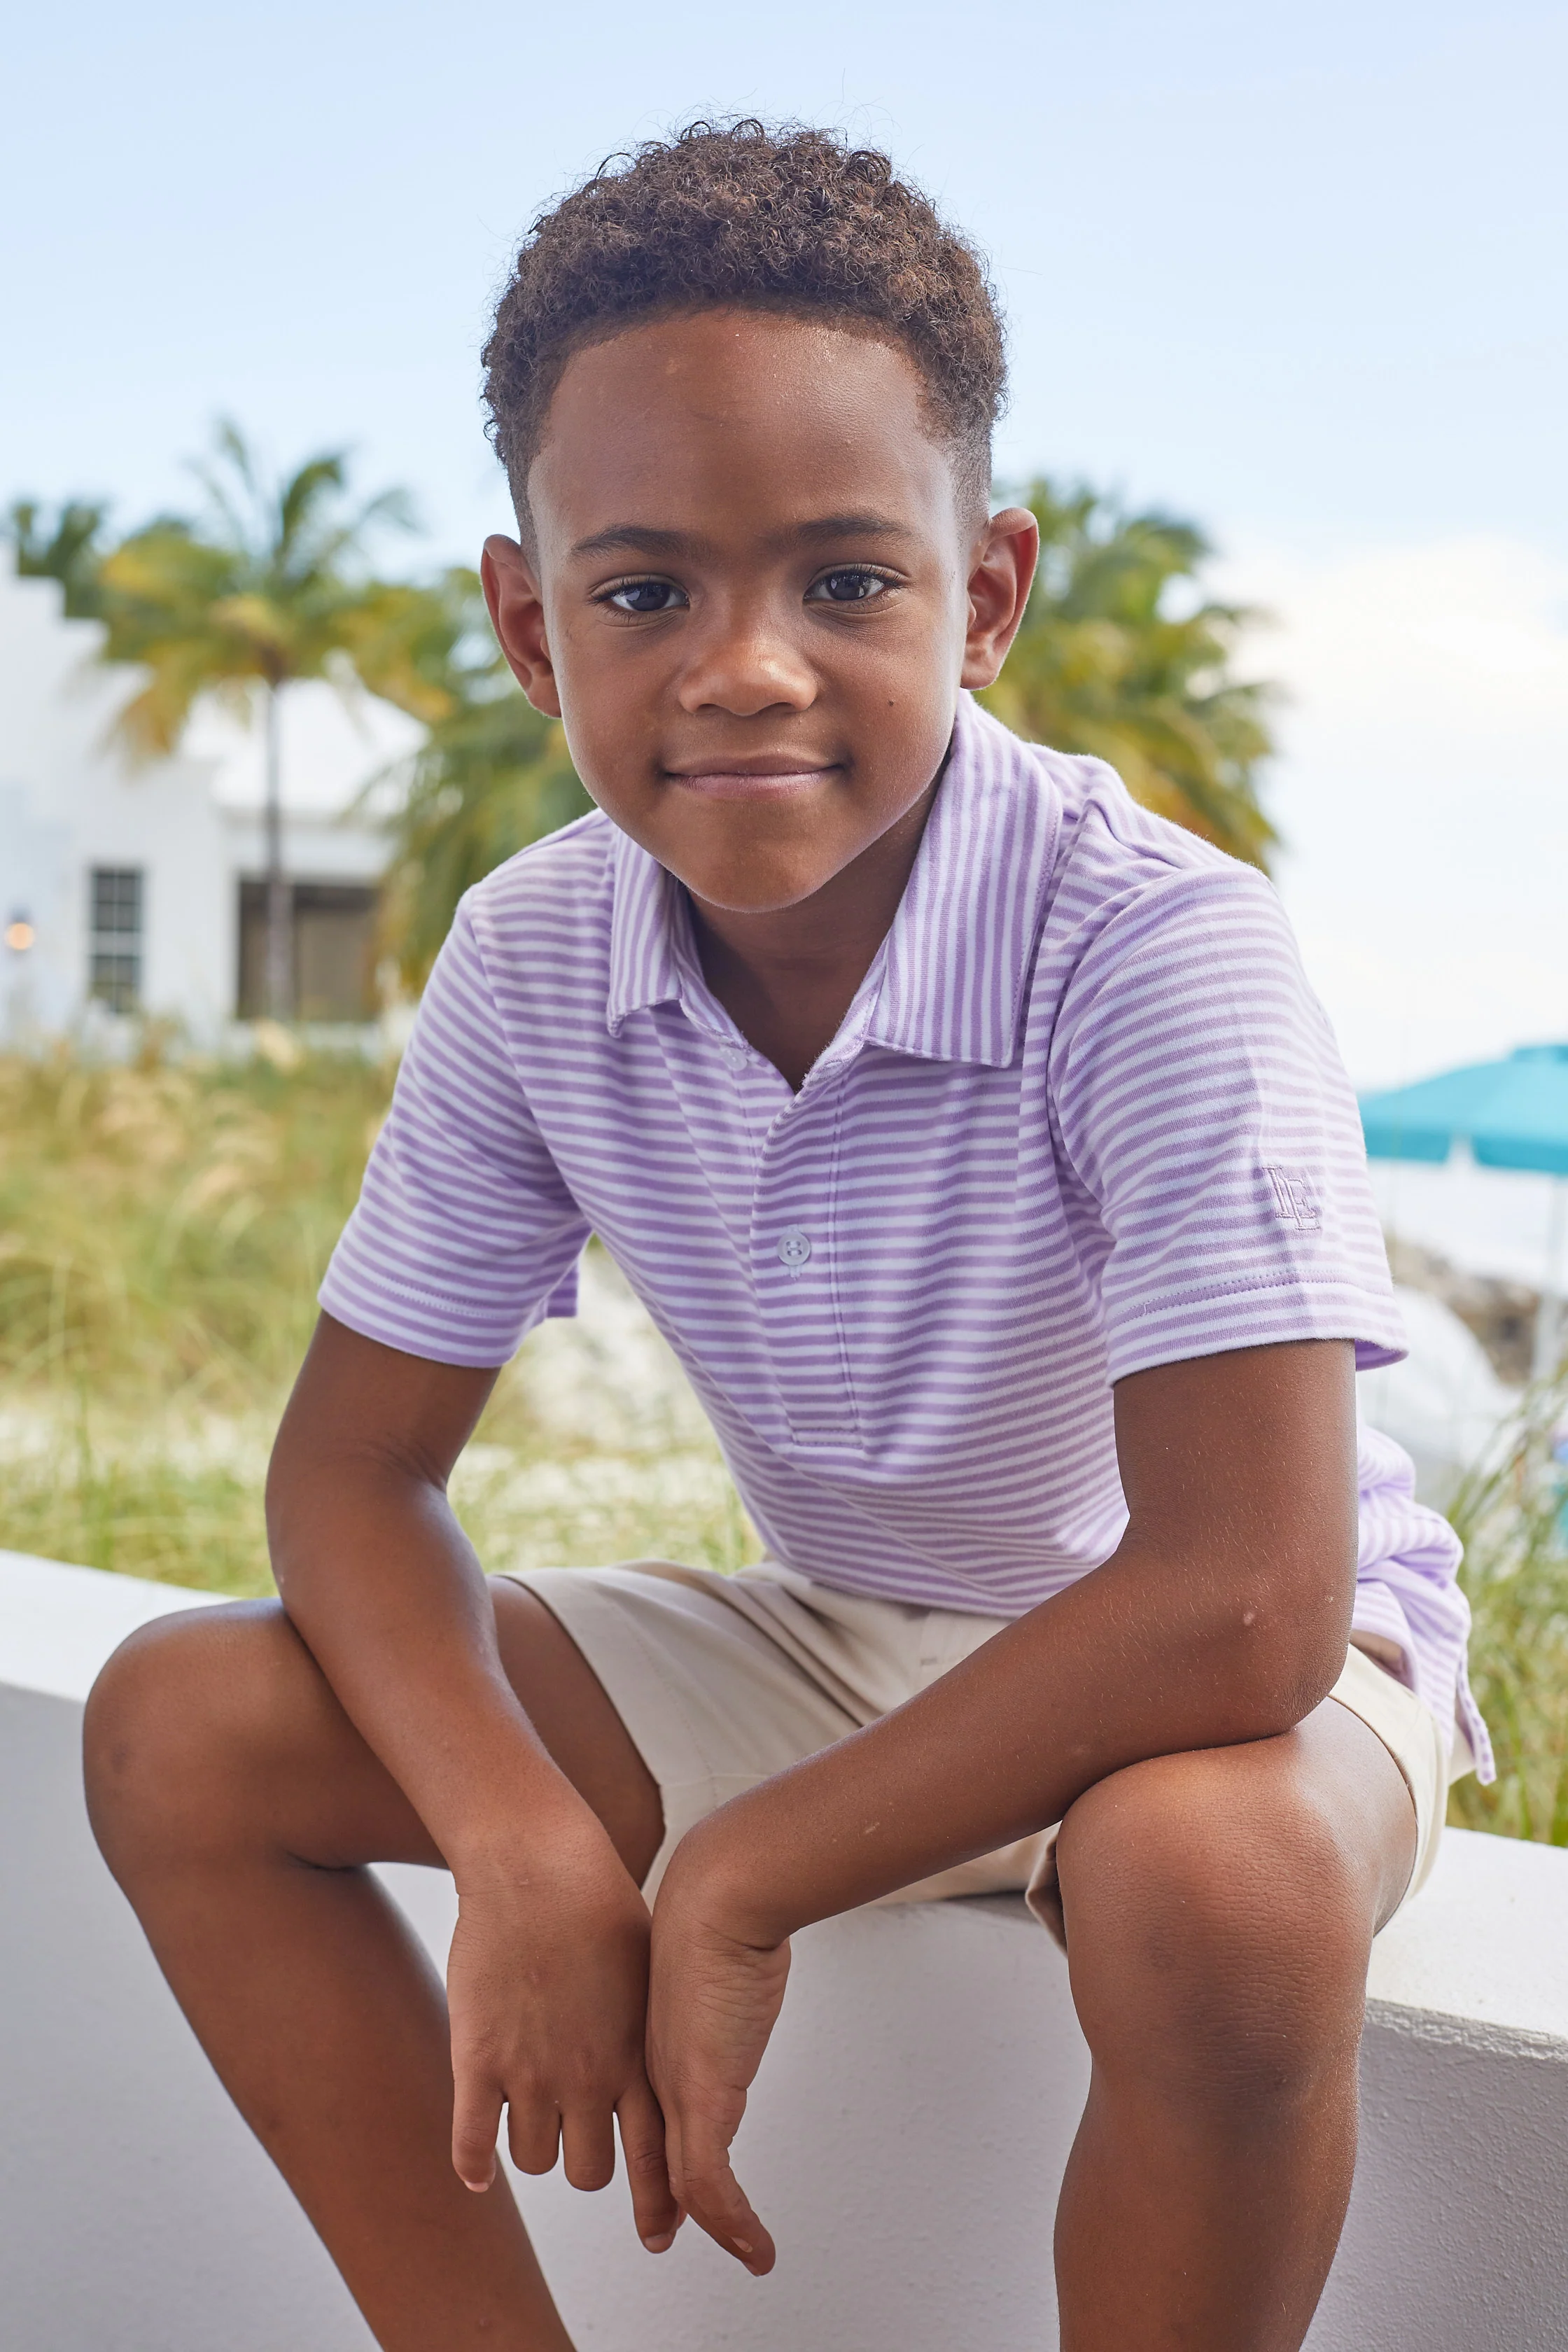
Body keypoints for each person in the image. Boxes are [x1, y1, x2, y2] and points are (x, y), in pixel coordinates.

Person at [83, 120, 1490, 2352]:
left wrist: (735, 1876)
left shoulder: (1150, 949)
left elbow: (1246, 1597)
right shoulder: (535, 954)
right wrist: (527, 1843)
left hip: (1211, 1679)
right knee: (181, 1726)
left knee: (1212, 1896)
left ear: (989, 594)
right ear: (534, 629)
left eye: (847, 582)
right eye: (644, 594)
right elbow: (349, 1480)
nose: (745, 669)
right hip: (844, 1632)